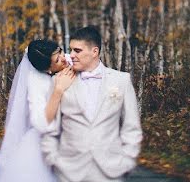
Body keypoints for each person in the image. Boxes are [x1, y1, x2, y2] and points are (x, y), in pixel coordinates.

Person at [41, 26, 142, 182]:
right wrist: (53, 160)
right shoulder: (59, 81)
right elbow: (50, 127)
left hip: (111, 171)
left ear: (94, 51)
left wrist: (127, 160)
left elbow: (132, 127)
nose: (71, 55)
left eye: (77, 51)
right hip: (68, 171)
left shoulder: (121, 81)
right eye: (71, 50)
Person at [0, 39, 76, 182]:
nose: (64, 58)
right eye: (57, 60)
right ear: (47, 70)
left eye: (61, 51)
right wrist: (58, 91)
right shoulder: (36, 81)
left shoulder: (69, 59)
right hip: (45, 140)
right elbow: (41, 123)